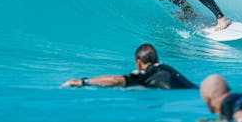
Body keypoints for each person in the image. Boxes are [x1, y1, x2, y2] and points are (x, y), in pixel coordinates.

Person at [60, 43, 197, 90]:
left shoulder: (146, 73)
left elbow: (115, 80)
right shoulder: (165, 68)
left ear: (138, 62)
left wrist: (83, 82)